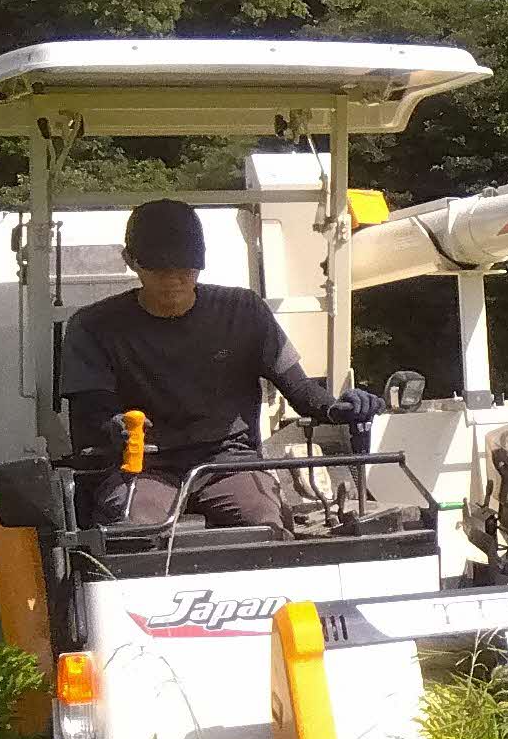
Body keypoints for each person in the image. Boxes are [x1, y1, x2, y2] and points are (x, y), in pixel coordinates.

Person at [57, 197, 381, 529]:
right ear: (131, 262)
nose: (174, 280)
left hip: (228, 463)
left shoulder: (242, 310)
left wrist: (335, 408)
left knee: (266, 523)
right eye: (160, 270)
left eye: (185, 270)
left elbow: (298, 388)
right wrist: (115, 425)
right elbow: (90, 412)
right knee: (133, 527)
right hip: (146, 466)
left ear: (201, 264)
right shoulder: (95, 326)